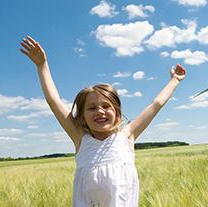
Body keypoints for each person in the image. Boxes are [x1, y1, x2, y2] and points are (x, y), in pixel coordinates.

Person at [20, 35, 186, 206]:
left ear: (117, 112)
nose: (100, 111)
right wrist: (42, 65)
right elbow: (54, 101)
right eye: (91, 108)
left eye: (106, 106)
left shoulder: (127, 135)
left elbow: (156, 104)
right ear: (82, 116)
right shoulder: (80, 138)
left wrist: (175, 80)